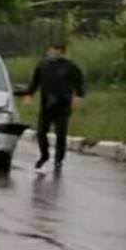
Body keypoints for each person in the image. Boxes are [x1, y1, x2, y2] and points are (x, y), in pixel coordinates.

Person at [18, 41, 85, 173]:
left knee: (61, 134)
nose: (54, 53)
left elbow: (79, 83)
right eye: (53, 50)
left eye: (58, 51)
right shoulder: (43, 65)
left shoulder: (70, 67)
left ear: (63, 52)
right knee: (41, 132)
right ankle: (44, 155)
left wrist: (79, 96)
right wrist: (29, 94)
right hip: (46, 105)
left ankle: (59, 160)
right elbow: (34, 84)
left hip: (63, 105)